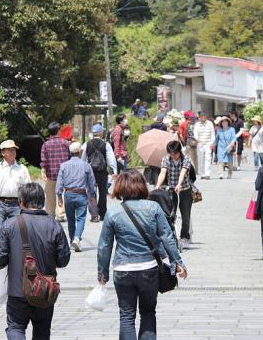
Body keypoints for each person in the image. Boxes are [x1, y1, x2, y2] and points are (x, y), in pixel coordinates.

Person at [97, 171, 187, 340]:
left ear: (120, 188)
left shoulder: (113, 212)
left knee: (126, 316)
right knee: (148, 313)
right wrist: (177, 262)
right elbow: (167, 237)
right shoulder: (153, 208)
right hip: (149, 269)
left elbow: (104, 246)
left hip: (122, 270)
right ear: (141, 186)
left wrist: (102, 274)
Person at [0, 183, 70, 339]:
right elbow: (63, 260)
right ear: (42, 200)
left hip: (17, 290)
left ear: (21, 202)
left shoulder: (9, 225)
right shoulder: (54, 225)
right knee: (42, 330)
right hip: (44, 291)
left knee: (15, 327)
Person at [0, 140, 31, 243]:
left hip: (17, 205)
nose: (13, 152)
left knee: (17, 231)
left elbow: (28, 187)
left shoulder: (22, 168)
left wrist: (27, 203)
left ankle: (12, 254)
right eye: (10, 150)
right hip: (0, 204)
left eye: (14, 150)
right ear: (3, 153)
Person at [56, 142, 97, 252]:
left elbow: (59, 182)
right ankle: (77, 238)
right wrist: (92, 195)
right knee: (81, 218)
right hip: (81, 195)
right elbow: (92, 182)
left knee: (70, 219)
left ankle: (72, 240)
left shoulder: (63, 165)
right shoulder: (86, 165)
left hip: (68, 194)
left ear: (70, 152)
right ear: (80, 152)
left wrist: (59, 196)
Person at [156, 141, 194, 249]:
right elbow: (163, 172)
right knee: (170, 215)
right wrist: (158, 185)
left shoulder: (186, 159)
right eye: (171, 153)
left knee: (185, 215)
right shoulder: (166, 159)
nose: (173, 156)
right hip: (171, 191)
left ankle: (185, 237)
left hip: (185, 190)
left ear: (179, 152)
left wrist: (179, 184)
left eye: (175, 153)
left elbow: (183, 172)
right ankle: (172, 237)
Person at [82, 124, 117, 222]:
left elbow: (83, 159)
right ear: (101, 133)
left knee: (91, 193)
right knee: (102, 193)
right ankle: (102, 214)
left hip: (90, 172)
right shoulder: (106, 145)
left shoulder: (86, 144)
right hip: (102, 172)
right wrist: (114, 171)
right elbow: (111, 159)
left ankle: (94, 215)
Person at [40, 121, 70, 222]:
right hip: (64, 175)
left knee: (50, 195)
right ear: (58, 131)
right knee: (62, 193)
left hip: (50, 174)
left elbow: (44, 160)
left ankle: (50, 214)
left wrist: (43, 171)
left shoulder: (45, 145)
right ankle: (60, 214)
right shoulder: (65, 143)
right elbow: (70, 158)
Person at [193, 111, 215, 179]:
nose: (203, 117)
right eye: (201, 116)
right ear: (199, 117)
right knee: (201, 159)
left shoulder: (210, 123)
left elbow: (212, 133)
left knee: (208, 159)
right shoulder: (197, 124)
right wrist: (197, 139)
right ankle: (202, 174)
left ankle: (207, 174)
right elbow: (195, 133)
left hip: (208, 143)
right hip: (200, 143)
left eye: (204, 116)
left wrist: (212, 143)